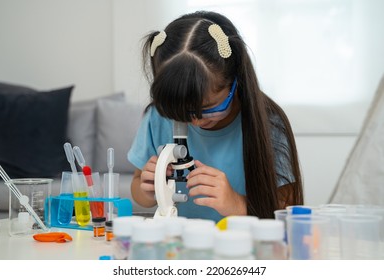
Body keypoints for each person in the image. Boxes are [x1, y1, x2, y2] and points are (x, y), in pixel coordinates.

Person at [127, 10, 303, 222]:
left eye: (209, 108)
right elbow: (138, 187)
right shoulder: (158, 116)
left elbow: (288, 210)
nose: (195, 121)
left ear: (235, 82)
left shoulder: (268, 124)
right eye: (182, 112)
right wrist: (149, 189)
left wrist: (236, 204)